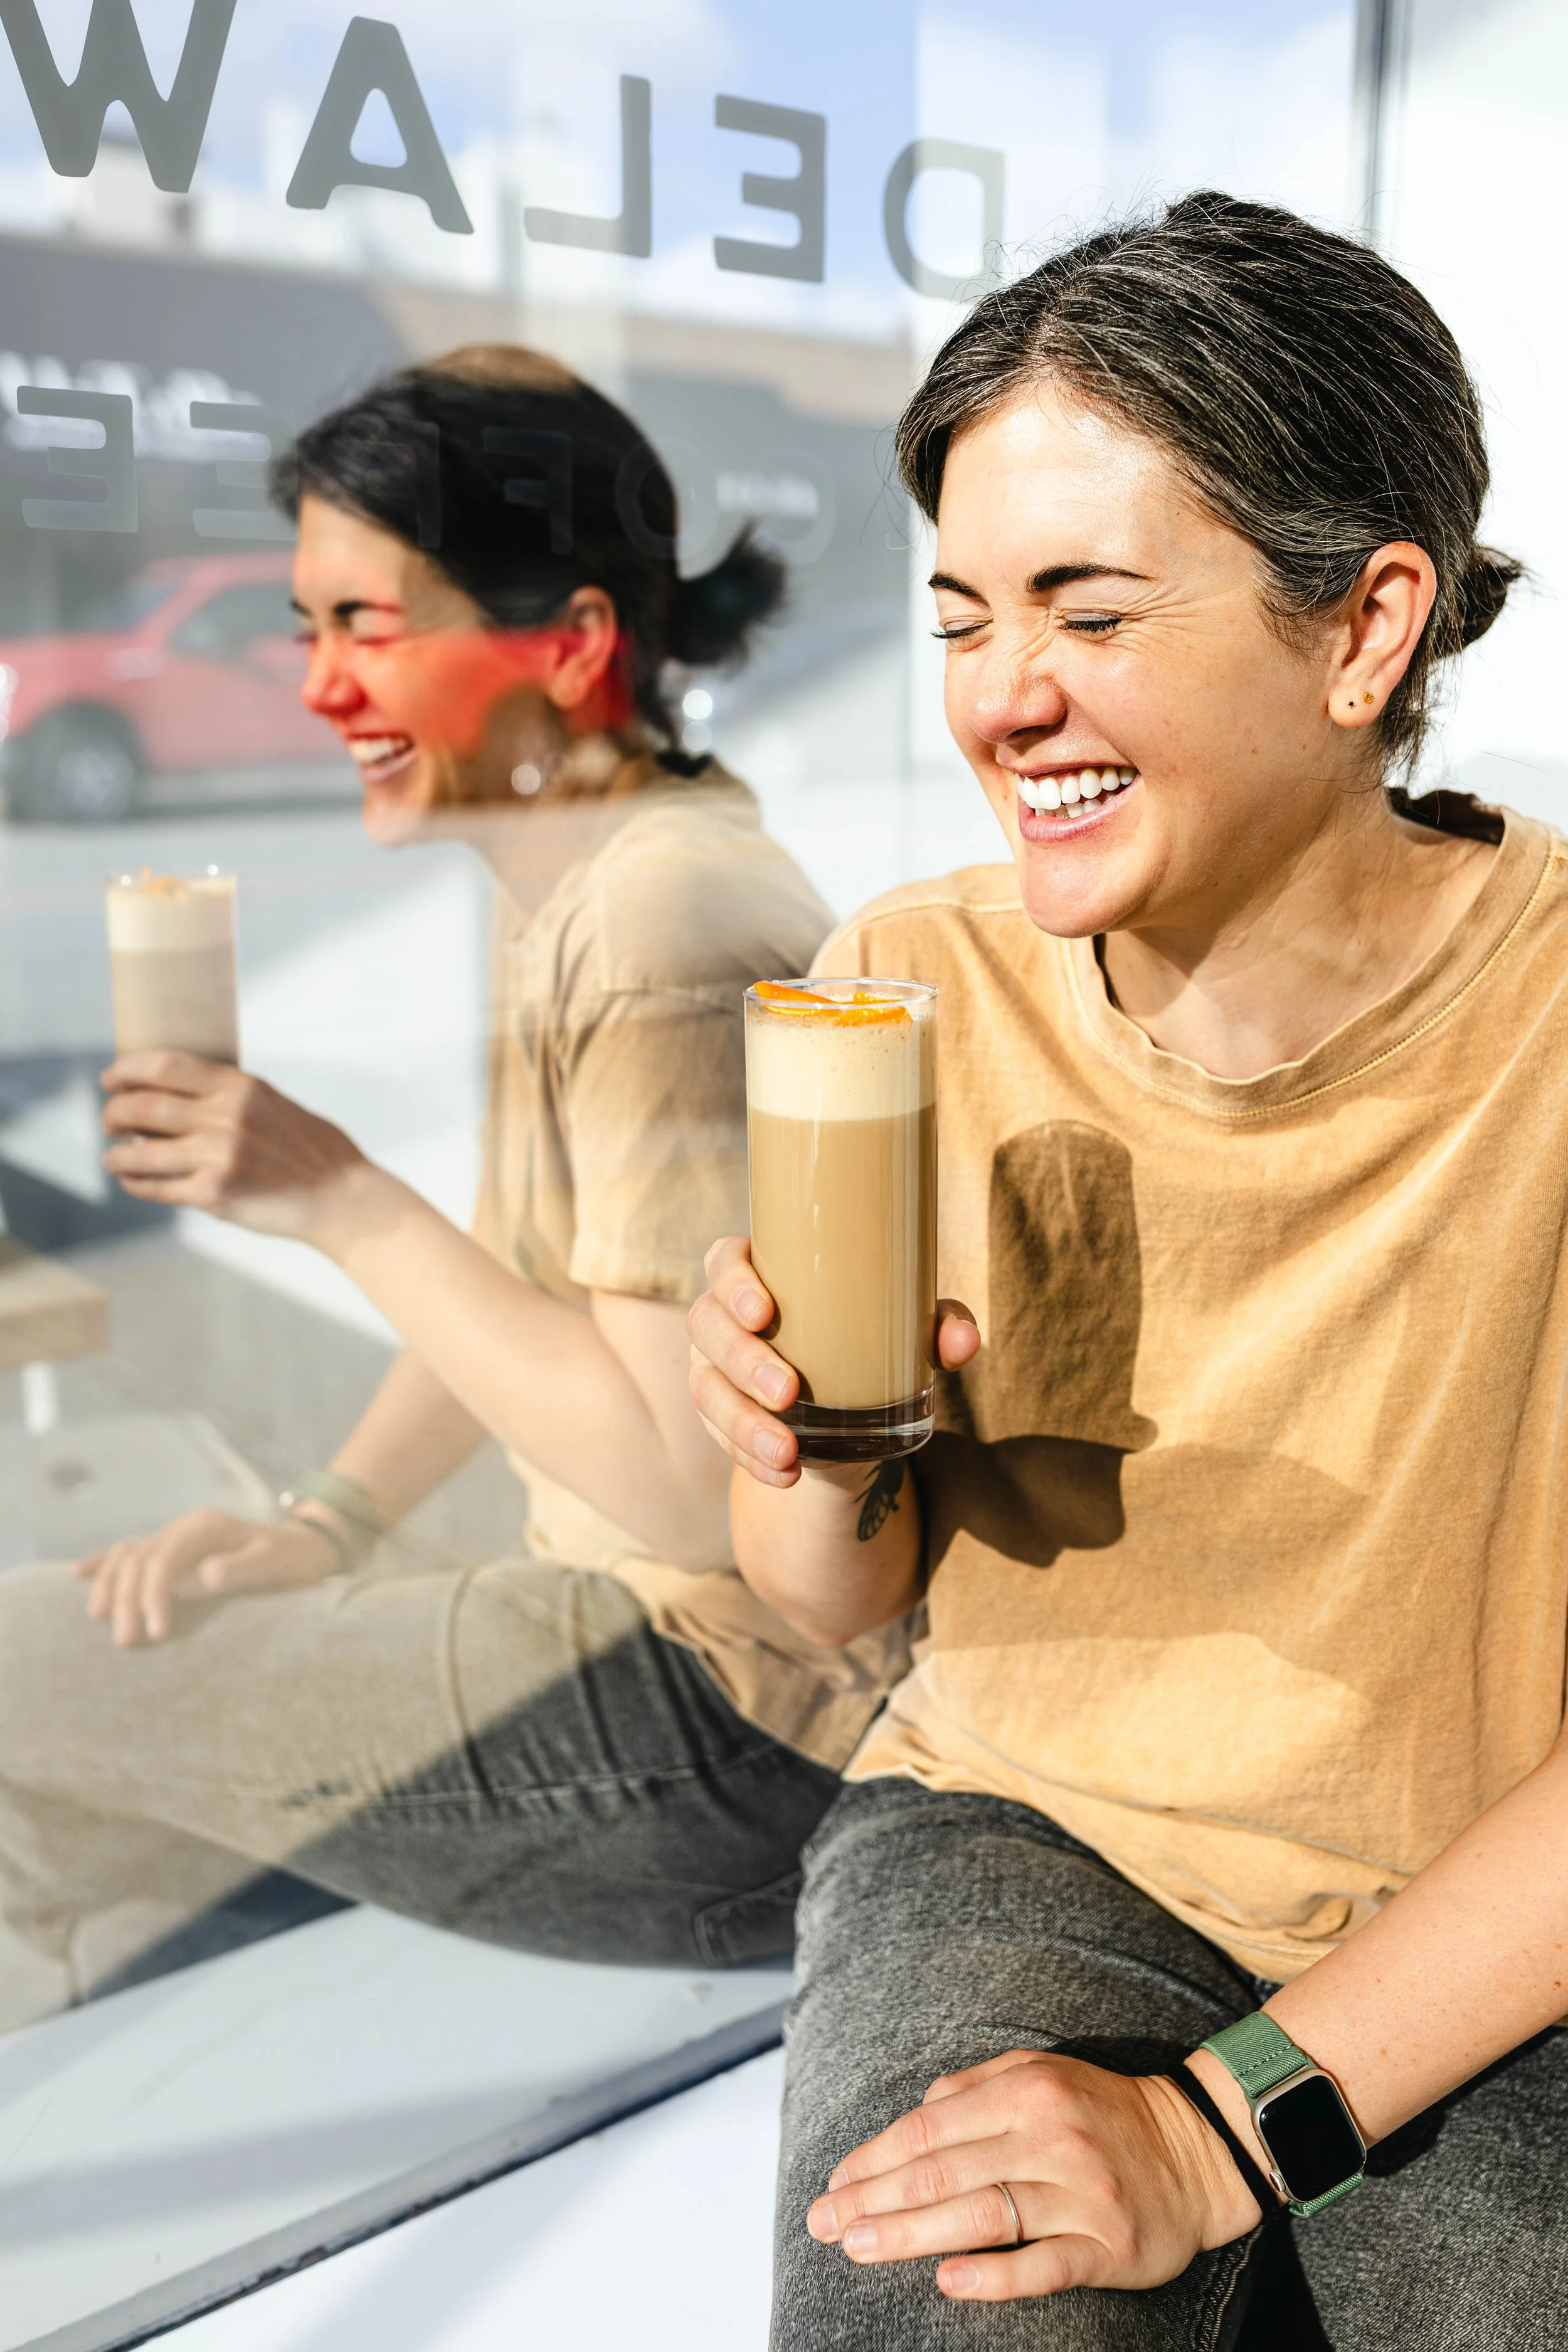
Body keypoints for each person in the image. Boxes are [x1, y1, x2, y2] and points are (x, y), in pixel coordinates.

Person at [687, 193, 1568, 2348]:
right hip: (1017, 1820)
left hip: (1486, 1891)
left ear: (1366, 630)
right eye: (963, 618)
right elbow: (838, 1599)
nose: (1002, 701)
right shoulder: (903, 979)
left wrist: (1212, 2126)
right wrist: (799, 1451)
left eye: (1081, 607)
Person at [0, 346, 909, 2006]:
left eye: (370, 626)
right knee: (88, 1718)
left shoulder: (660, 924)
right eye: (307, 630)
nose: (320, 689)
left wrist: (336, 1194)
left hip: (713, 1741)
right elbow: (523, 1277)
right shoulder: (578, 870)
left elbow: (681, 1484)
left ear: (565, 647)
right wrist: (325, 1524)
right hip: (646, 1676)